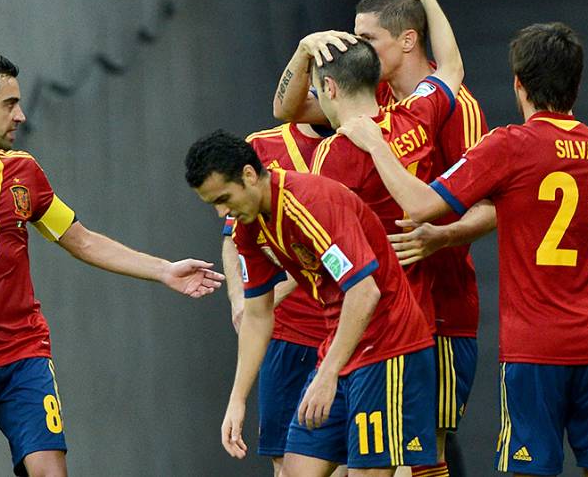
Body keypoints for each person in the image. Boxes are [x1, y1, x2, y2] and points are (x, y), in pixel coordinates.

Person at [0, 55, 224, 477]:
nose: (20, 115)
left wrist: (164, 270)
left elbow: (81, 239)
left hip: (24, 353)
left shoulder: (25, 172)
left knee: (49, 470)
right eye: (9, 104)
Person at [338, 22, 588, 476]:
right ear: (576, 82)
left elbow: (419, 205)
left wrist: (376, 144)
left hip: (535, 346)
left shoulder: (509, 146)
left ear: (519, 84)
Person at [273, 0, 487, 476]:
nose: (357, 44)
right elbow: (451, 69)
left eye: (365, 37)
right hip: (379, 320)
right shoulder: (413, 113)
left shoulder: (328, 159)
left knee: (399, 461)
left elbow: (327, 242)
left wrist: (276, 287)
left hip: (397, 320)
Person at [187, 131, 436, 476]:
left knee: (366, 473)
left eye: (223, 198)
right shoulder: (250, 228)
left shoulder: (310, 203)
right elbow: (258, 315)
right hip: (340, 348)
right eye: (212, 203)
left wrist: (327, 374)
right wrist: (237, 401)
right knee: (293, 471)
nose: (220, 212)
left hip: (388, 348)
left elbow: (365, 292)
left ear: (248, 175)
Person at [219, 121, 340, 476]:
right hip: (288, 336)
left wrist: (264, 296)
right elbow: (234, 238)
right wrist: (239, 298)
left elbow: (345, 264)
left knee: (354, 465)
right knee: (286, 465)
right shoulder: (260, 146)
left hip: (348, 335)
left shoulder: (363, 139)